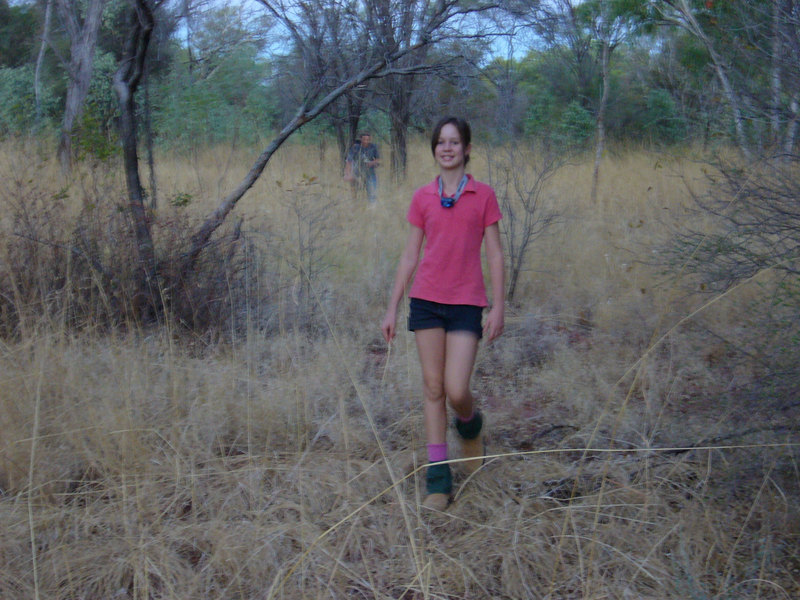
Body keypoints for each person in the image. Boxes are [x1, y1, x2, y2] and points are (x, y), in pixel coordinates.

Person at [380, 116, 505, 511]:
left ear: (467, 149)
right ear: (434, 149)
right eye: (441, 142)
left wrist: (499, 305)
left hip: (467, 303)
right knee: (432, 389)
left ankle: (470, 425)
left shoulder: (483, 196)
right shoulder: (422, 198)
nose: (447, 148)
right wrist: (392, 305)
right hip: (427, 302)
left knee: (456, 390)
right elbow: (410, 255)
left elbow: (495, 254)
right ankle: (439, 479)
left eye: (454, 142)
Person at [345, 132, 380, 203]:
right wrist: (348, 174)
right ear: (361, 139)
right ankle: (355, 205)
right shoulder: (355, 147)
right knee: (355, 192)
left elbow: (378, 159)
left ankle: (372, 209)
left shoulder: (373, 147)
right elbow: (349, 161)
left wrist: (372, 163)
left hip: (370, 173)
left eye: (368, 139)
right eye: (364, 139)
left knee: (372, 193)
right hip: (357, 171)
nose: (366, 141)